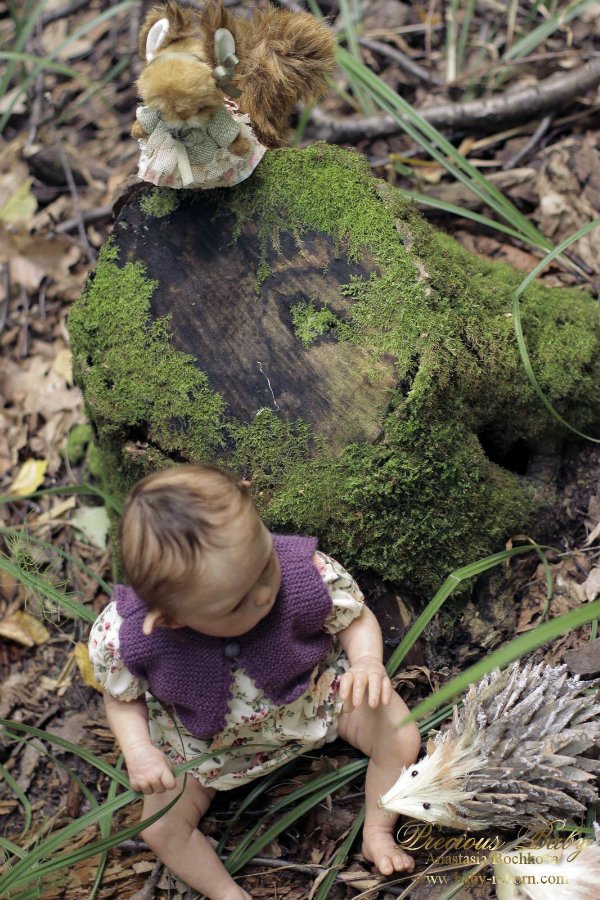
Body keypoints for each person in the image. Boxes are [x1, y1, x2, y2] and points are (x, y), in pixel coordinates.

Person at [89, 464, 421, 900]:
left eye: (265, 565)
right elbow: (122, 698)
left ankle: (378, 829)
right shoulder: (129, 636)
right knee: (161, 828)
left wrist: (366, 664)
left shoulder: (303, 573)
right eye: (235, 603)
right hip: (204, 748)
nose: (264, 593)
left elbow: (353, 617)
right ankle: (229, 894)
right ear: (170, 617)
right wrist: (138, 750)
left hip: (314, 698)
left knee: (398, 733)